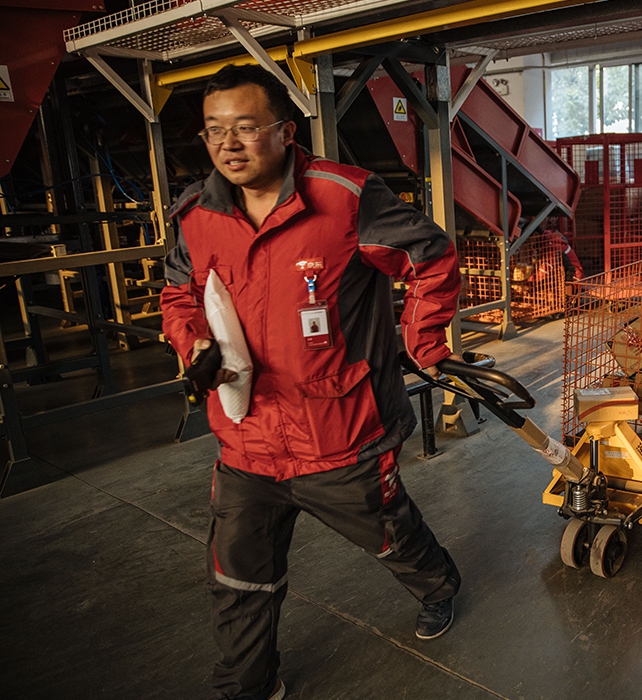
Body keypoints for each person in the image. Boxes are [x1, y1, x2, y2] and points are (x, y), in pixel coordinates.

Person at [160, 64, 462, 700]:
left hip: (340, 433)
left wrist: (424, 342)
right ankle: (250, 685)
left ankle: (438, 585)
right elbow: (180, 295)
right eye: (214, 130)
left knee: (390, 537)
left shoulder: (345, 198)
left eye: (246, 127)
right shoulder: (195, 215)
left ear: (285, 131)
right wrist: (195, 345)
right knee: (237, 579)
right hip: (246, 440)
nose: (228, 144)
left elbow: (431, 256)